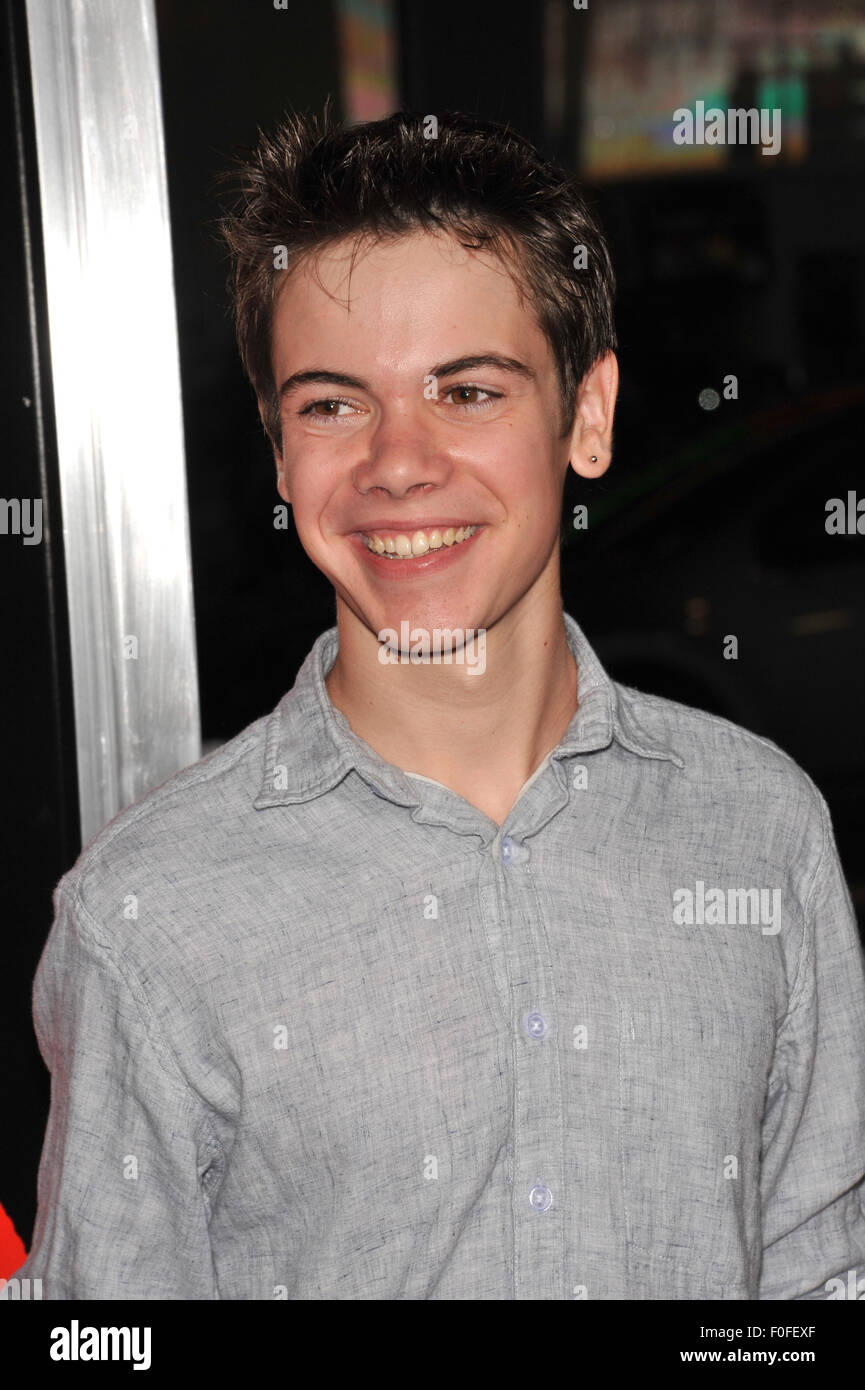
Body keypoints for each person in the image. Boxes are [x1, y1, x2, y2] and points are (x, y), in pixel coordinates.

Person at [12, 107, 865, 1300]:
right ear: (276, 451)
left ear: (588, 414)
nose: (397, 461)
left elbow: (821, 1281)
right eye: (330, 404)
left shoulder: (760, 828)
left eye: (465, 392)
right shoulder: (149, 917)